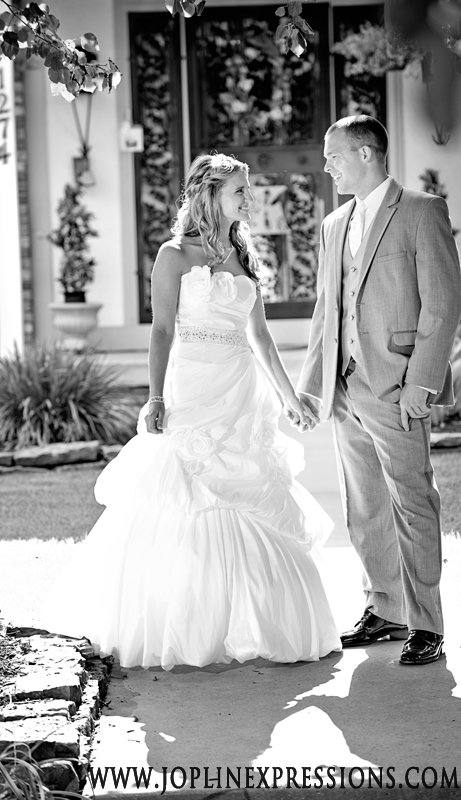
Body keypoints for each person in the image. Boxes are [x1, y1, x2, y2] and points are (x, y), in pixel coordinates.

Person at [40, 153, 340, 669]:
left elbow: (261, 337)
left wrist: (291, 401)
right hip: (194, 386)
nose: (248, 198)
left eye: (247, 189)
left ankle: (261, 622)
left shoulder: (244, 254)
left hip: (241, 391)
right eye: (239, 190)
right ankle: (184, 622)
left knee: (251, 491)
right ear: (210, 194)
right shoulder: (174, 255)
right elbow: (161, 330)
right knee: (185, 493)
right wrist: (155, 397)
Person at [294, 115, 461, 665]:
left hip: (397, 385)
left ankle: (427, 623)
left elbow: (443, 302)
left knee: (412, 501)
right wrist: (312, 387)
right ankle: (385, 609)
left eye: (334, 155)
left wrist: (422, 382)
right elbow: (327, 309)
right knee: (364, 505)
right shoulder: (333, 224)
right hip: (345, 387)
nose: (327, 166)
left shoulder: (421, 211)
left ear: (366, 153)